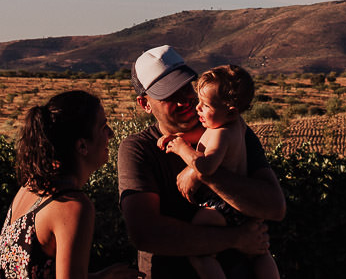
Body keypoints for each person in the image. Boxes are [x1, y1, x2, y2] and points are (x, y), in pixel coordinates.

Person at [118, 46, 286, 279]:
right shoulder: (139, 149)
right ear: (145, 104)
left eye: (186, 87)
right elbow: (146, 234)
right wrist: (237, 239)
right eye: (169, 94)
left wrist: (198, 171)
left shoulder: (230, 128)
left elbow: (274, 207)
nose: (184, 99)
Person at [0, 90, 142, 279]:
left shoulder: (31, 186)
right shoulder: (72, 206)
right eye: (103, 127)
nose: (112, 134)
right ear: (82, 146)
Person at [157, 66, 280, 279]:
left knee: (199, 250)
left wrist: (181, 148)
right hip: (242, 208)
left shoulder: (221, 134)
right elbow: (209, 140)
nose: (197, 109)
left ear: (230, 110)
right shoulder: (237, 125)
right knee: (260, 253)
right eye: (199, 102)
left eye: (205, 106)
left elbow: (206, 167)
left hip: (222, 206)